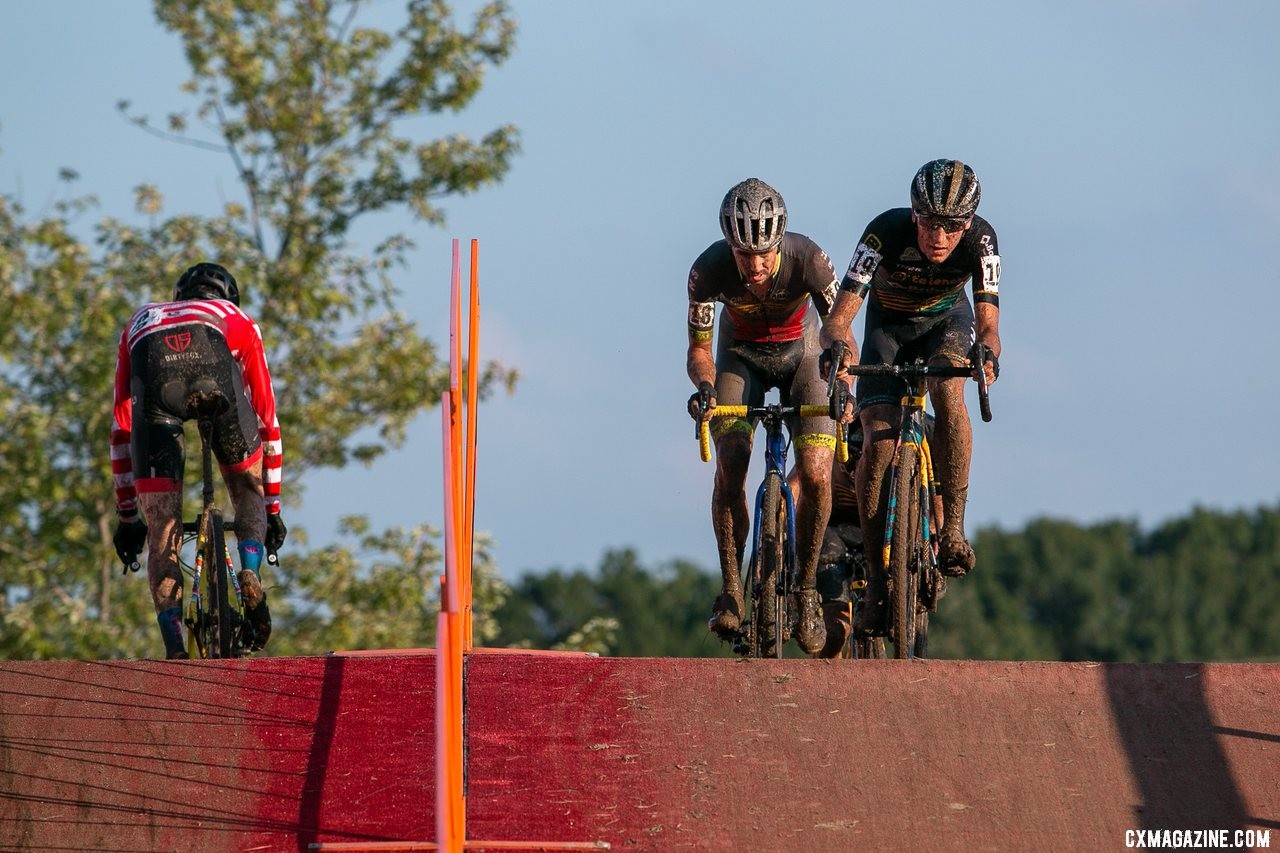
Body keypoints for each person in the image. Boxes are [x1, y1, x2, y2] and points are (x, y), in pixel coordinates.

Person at [820, 159, 1001, 637]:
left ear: (967, 224)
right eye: (929, 224)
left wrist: (986, 355)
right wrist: (838, 346)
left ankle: (954, 529)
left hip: (947, 323)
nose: (939, 238)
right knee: (877, 442)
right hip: (888, 328)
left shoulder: (982, 240)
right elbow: (839, 318)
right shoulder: (884, 232)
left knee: (948, 391)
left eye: (951, 227)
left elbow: (988, 325)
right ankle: (878, 588)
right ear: (914, 214)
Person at [686, 178, 841, 655]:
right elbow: (699, 352)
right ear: (729, 246)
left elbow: (839, 333)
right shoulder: (707, 272)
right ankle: (732, 589)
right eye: (742, 254)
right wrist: (707, 389)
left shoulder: (810, 261)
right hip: (741, 358)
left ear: (780, 243)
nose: (753, 266)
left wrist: (845, 384)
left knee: (816, 471)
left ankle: (808, 590)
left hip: (804, 357)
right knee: (730, 463)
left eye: (763, 255)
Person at [110, 262, 287, 659]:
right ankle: (249, 572)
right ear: (230, 298)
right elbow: (268, 422)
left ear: (178, 298)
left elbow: (121, 430)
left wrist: (127, 518)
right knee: (246, 491)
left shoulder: (140, 319)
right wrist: (271, 508)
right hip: (213, 359)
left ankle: (174, 645)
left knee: (162, 527)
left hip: (152, 361)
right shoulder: (236, 319)